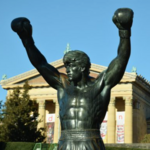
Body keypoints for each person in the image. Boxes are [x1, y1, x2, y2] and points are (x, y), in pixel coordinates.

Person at [11, 8, 133, 150]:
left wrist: (124, 32)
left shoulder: (100, 85)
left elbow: (121, 59)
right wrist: (26, 40)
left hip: (90, 143)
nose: (67, 71)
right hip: (65, 143)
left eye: (70, 67)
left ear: (82, 68)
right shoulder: (63, 85)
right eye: (66, 67)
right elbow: (40, 63)